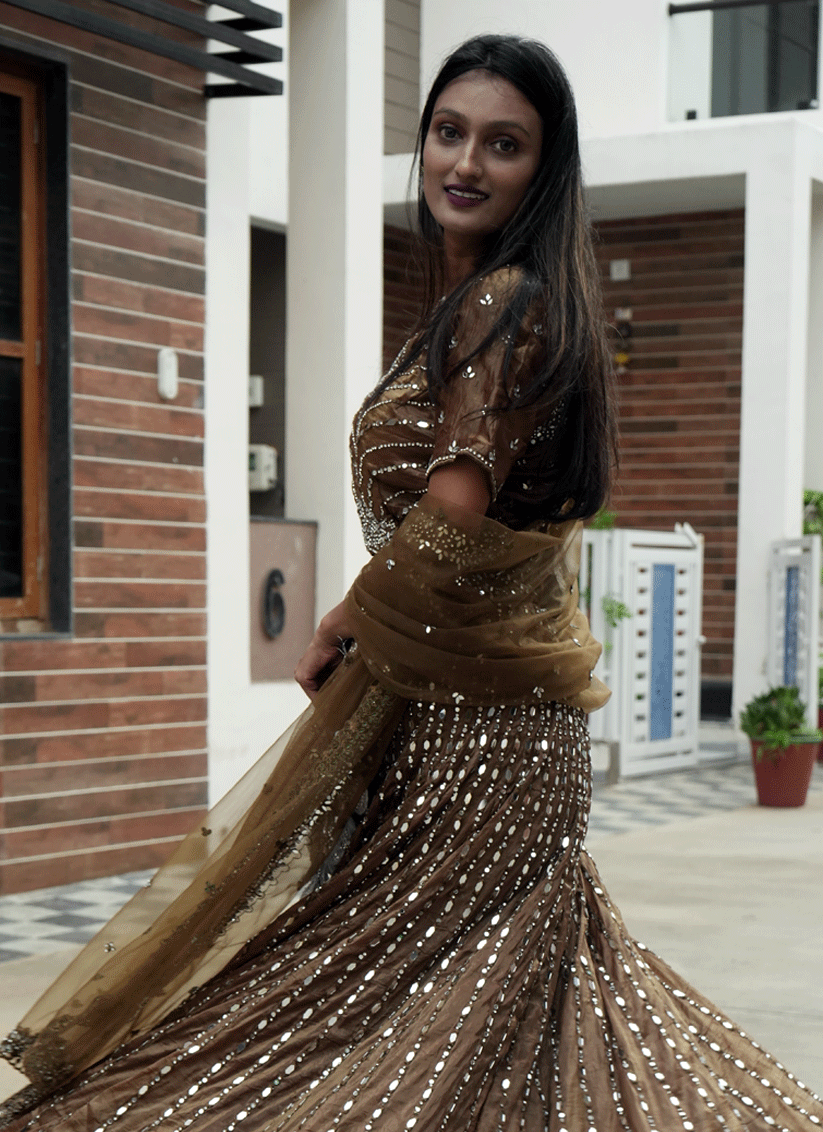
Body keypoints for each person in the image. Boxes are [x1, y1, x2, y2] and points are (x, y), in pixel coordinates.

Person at [1, 32, 821, 1132]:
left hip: (480, 749)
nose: (464, 162)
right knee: (442, 1025)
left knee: (366, 1018)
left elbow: (454, 509)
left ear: (545, 168)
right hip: (462, 730)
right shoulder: (490, 304)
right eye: (447, 131)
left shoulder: (507, 302)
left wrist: (343, 616)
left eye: (503, 144)